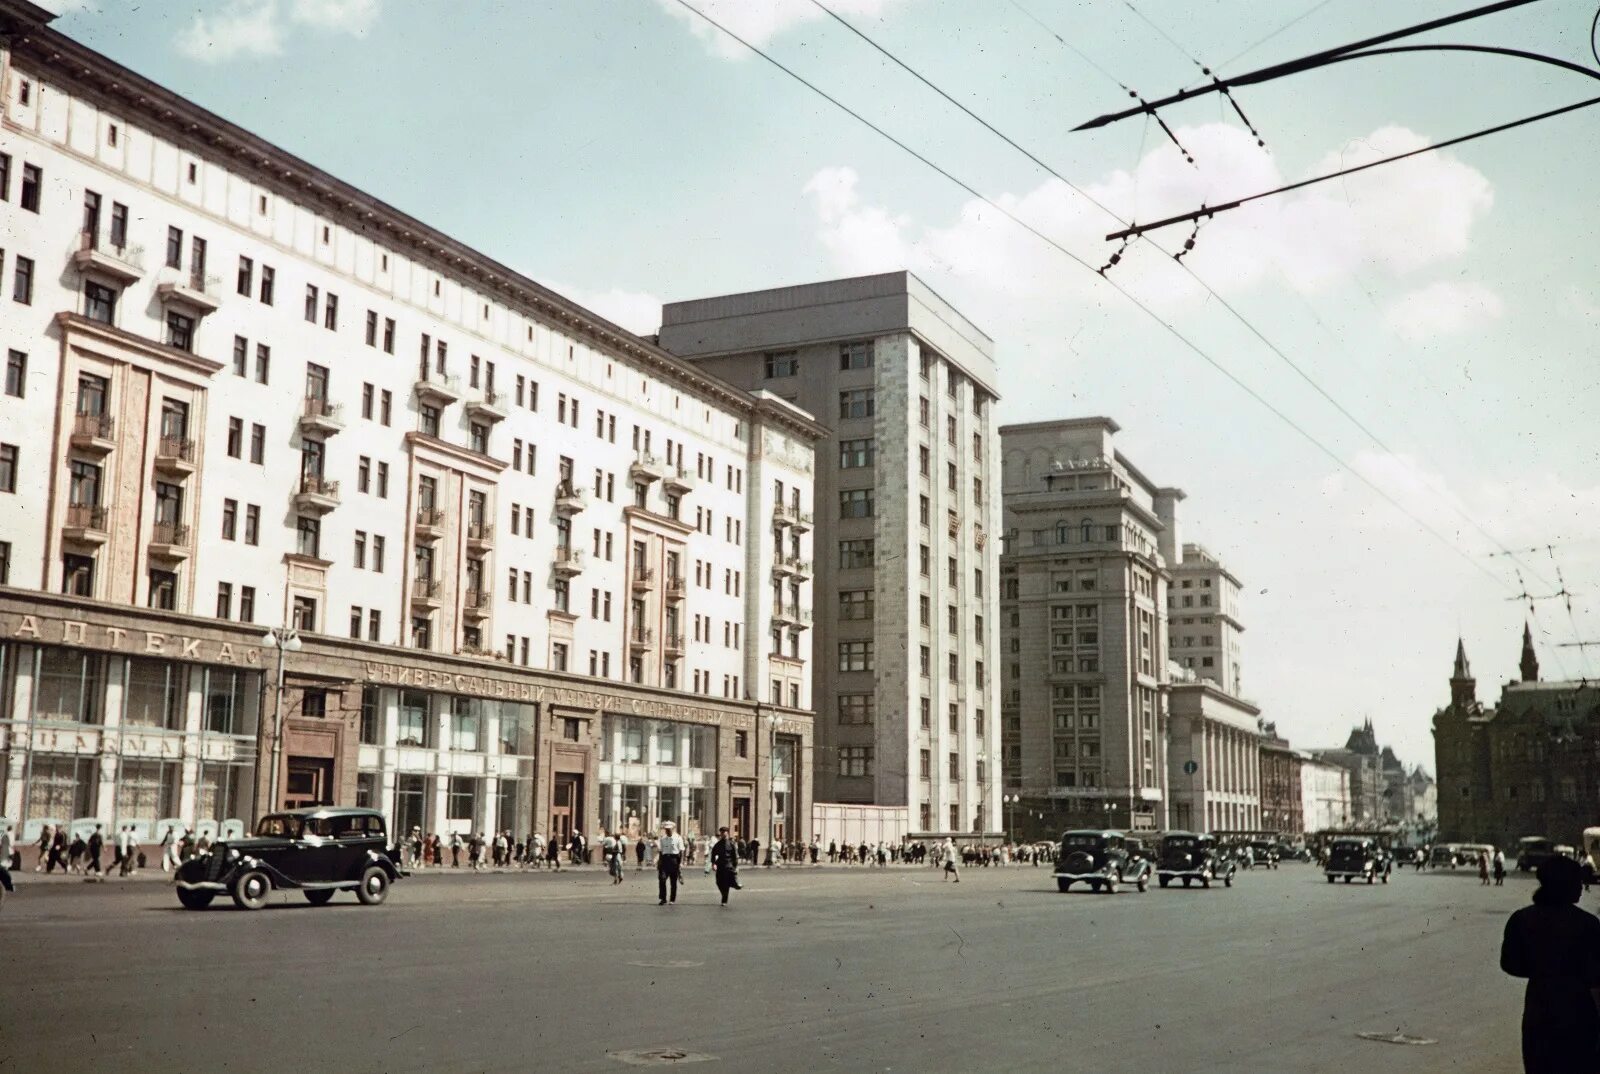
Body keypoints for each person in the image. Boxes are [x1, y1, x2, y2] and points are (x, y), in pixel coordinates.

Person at [1501, 856, 1600, 1073]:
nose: (1581, 888)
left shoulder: (1521, 919)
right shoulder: (1588, 924)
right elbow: (1596, 978)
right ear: (1565, 885)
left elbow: (1510, 964)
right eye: (1577, 882)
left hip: (1539, 1011)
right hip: (1578, 1015)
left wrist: (1542, 969)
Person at [711, 826, 740, 907]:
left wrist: (735, 867)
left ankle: (724, 900)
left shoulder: (731, 844)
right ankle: (724, 894)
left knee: (726, 883)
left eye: (724, 832)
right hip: (720, 865)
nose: (723, 834)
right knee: (718, 882)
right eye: (721, 832)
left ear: (727, 833)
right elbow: (713, 854)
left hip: (728, 865)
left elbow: (734, 856)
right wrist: (714, 864)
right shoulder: (718, 844)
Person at [657, 821, 683, 906]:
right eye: (666, 829)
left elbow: (681, 851)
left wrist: (680, 863)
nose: (667, 831)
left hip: (674, 860)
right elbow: (661, 851)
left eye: (669, 829)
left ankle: (672, 899)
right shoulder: (663, 838)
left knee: (673, 881)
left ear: (673, 829)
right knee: (662, 879)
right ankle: (663, 898)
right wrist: (659, 862)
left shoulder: (678, 838)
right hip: (665, 860)